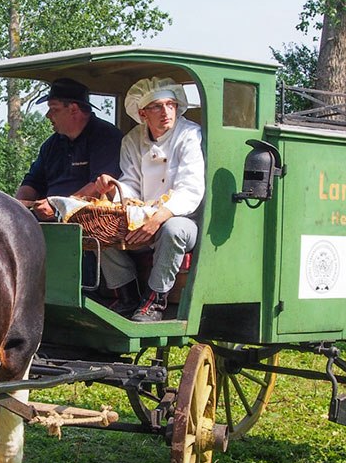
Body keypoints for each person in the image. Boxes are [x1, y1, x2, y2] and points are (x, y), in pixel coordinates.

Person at [94, 77, 205, 322]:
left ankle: (154, 302)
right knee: (100, 230)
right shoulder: (133, 140)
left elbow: (191, 189)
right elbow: (131, 185)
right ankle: (126, 296)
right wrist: (113, 189)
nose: (166, 112)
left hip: (182, 218)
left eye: (170, 105)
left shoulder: (189, 136)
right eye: (157, 106)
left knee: (173, 230)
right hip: (143, 215)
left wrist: (158, 218)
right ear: (143, 113)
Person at [15, 78, 123, 221]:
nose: (48, 115)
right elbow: (32, 182)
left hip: (88, 225)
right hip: (46, 220)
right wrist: (16, 208)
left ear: (73, 109)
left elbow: (99, 186)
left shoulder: (107, 137)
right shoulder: (51, 145)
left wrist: (60, 207)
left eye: (54, 109)